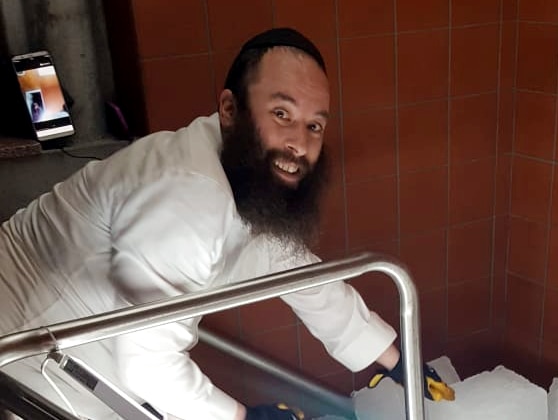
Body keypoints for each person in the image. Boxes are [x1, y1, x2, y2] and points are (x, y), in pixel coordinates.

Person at [0, 28, 452, 420]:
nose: (299, 142)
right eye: (282, 114)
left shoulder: (239, 172)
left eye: (314, 126)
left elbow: (299, 274)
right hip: (29, 349)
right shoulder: (187, 196)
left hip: (92, 345)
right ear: (230, 108)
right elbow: (149, 364)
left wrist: (394, 359)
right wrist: (244, 416)